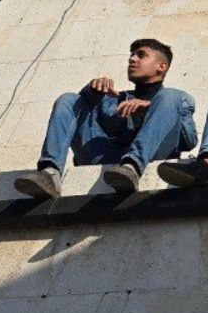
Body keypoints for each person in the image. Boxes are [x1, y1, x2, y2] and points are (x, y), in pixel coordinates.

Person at [14, 38, 197, 198]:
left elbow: (188, 141)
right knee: (69, 99)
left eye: (141, 55)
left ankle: (132, 166)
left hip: (155, 157)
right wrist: (91, 93)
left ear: (161, 66)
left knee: (169, 96)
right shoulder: (112, 99)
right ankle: (49, 173)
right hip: (108, 159)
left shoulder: (176, 99)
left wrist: (148, 110)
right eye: (131, 56)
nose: (132, 59)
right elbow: (72, 119)